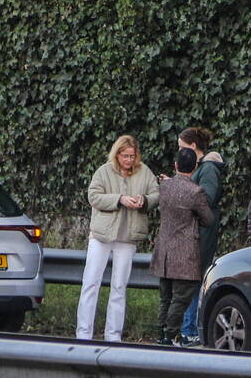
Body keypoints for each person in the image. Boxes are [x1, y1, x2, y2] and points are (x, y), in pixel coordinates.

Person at [76, 135, 159, 342]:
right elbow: (93, 196)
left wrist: (144, 200)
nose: (129, 160)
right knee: (90, 283)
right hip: (102, 235)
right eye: (125, 156)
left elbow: (156, 194)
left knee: (119, 286)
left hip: (128, 236)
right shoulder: (104, 171)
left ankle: (113, 335)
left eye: (132, 156)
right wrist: (119, 200)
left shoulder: (145, 171)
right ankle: (83, 333)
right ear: (117, 154)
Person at [150, 148, 213, 345]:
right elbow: (208, 219)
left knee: (165, 297)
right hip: (185, 252)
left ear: (176, 165)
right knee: (181, 298)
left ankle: (161, 333)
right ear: (195, 167)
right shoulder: (196, 191)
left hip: (164, 251)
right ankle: (171, 335)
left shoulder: (164, 187)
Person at [176, 127, 227, 346]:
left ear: (193, 146)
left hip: (201, 234)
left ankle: (191, 331)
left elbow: (205, 197)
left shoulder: (207, 168)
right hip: (197, 232)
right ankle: (188, 330)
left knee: (193, 281)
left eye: (181, 147)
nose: (179, 151)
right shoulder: (204, 167)